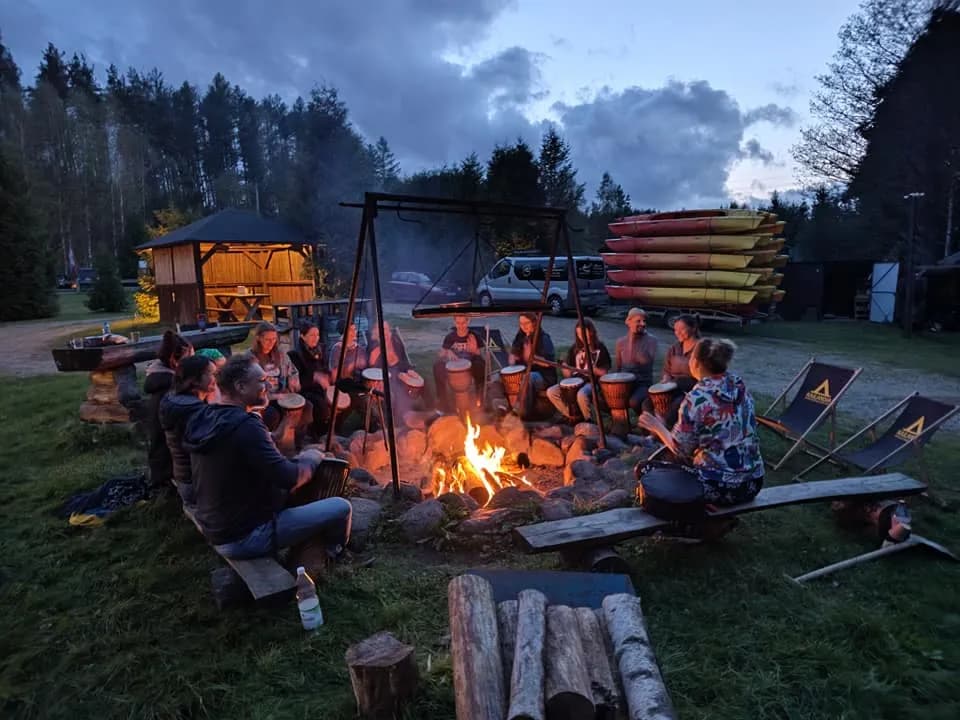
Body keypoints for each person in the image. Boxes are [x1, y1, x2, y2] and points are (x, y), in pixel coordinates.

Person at [183, 354, 352, 571]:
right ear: (241, 386)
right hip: (244, 536)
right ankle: (334, 553)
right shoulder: (245, 425)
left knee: (298, 491)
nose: (268, 385)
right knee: (341, 506)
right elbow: (288, 478)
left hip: (216, 526)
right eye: (261, 381)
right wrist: (310, 459)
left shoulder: (207, 417)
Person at [636, 338, 764, 506]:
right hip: (754, 483)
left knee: (644, 469)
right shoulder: (739, 385)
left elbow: (680, 450)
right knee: (675, 464)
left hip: (722, 488)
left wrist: (657, 426)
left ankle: (697, 522)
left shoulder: (696, 399)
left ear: (695, 362)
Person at [159, 355, 218, 509]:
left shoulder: (173, 398)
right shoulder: (193, 411)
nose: (216, 377)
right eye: (212, 374)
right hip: (197, 486)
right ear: (195, 381)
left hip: (185, 479)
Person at [144, 330, 194, 489]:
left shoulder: (162, 379)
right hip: (169, 466)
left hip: (166, 461)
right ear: (174, 361)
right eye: (190, 358)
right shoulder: (170, 390)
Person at [247, 321, 309, 437]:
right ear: (259, 338)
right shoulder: (250, 358)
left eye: (274, 339)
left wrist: (293, 379)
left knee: (306, 406)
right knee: (273, 414)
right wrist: (275, 396)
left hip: (282, 394)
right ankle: (272, 442)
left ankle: (297, 442)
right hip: (263, 400)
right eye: (267, 339)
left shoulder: (280, 354)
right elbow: (251, 388)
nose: (271, 343)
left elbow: (293, 371)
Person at [545, 318, 611, 422]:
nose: (582, 336)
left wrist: (594, 370)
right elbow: (568, 376)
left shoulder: (600, 348)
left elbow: (604, 372)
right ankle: (572, 415)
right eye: (579, 334)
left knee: (581, 394)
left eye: (584, 332)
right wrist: (563, 365)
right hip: (576, 381)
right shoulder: (574, 349)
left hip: (591, 382)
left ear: (591, 332)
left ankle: (589, 421)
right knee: (551, 391)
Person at [642, 313, 700, 426]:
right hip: (673, 387)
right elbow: (667, 370)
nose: (677, 333)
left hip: (691, 390)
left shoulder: (701, 348)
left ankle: (667, 435)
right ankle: (651, 434)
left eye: (681, 329)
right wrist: (664, 382)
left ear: (693, 328)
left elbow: (705, 376)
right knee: (647, 404)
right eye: (675, 330)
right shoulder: (674, 348)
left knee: (676, 406)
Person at [368, 321, 433, 412]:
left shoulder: (395, 341)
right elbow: (372, 371)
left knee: (425, 381)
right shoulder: (375, 349)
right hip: (387, 375)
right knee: (396, 389)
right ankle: (401, 418)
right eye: (381, 330)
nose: (384, 332)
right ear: (376, 332)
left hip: (401, 368)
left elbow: (403, 359)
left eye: (386, 329)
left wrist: (409, 369)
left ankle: (431, 409)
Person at [288, 322, 333, 438]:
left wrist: (329, 376)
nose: (316, 338)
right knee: (320, 404)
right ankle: (319, 436)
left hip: (322, 388)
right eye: (312, 335)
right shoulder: (295, 355)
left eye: (317, 335)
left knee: (339, 398)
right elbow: (298, 382)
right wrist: (314, 377)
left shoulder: (321, 350)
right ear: (303, 336)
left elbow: (326, 370)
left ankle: (332, 431)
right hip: (306, 391)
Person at [508, 312, 557, 418]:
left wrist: (533, 358)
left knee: (527, 378)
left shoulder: (543, 338)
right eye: (521, 323)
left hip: (544, 376)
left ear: (534, 323)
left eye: (526, 323)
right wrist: (512, 360)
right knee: (501, 377)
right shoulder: (520, 336)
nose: (523, 326)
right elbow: (513, 357)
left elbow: (548, 363)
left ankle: (522, 412)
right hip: (524, 372)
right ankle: (502, 407)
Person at [433, 315, 485, 412]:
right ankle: (443, 402)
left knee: (480, 365)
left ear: (468, 321)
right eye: (458, 323)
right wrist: (447, 351)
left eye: (463, 323)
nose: (461, 326)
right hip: (454, 365)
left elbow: (483, 354)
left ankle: (479, 399)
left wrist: (475, 350)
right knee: (437, 366)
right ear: (454, 322)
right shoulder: (450, 337)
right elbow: (441, 354)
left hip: (470, 364)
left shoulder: (475, 335)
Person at [613, 307, 658, 416]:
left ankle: (646, 422)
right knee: (605, 398)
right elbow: (618, 367)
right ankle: (620, 424)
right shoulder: (620, 342)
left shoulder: (651, 340)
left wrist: (633, 342)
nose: (643, 324)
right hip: (625, 383)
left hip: (642, 382)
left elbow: (646, 361)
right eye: (638, 321)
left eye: (644, 321)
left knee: (634, 401)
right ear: (628, 322)